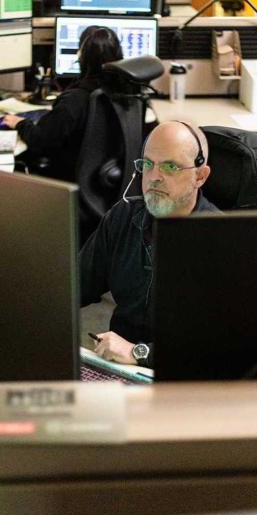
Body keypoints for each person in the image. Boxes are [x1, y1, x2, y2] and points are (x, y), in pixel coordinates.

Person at [79, 120, 217, 369]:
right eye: (147, 164)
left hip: (183, 382)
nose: (154, 178)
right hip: (117, 368)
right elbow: (74, 286)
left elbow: (218, 347)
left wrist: (138, 353)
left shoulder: (222, 240)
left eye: (170, 167)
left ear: (200, 176)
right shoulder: (123, 217)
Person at [3, 26, 123, 183]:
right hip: (109, 184)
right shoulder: (127, 93)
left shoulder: (75, 100)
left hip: (69, 182)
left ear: (83, 56)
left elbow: (40, 139)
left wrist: (20, 123)